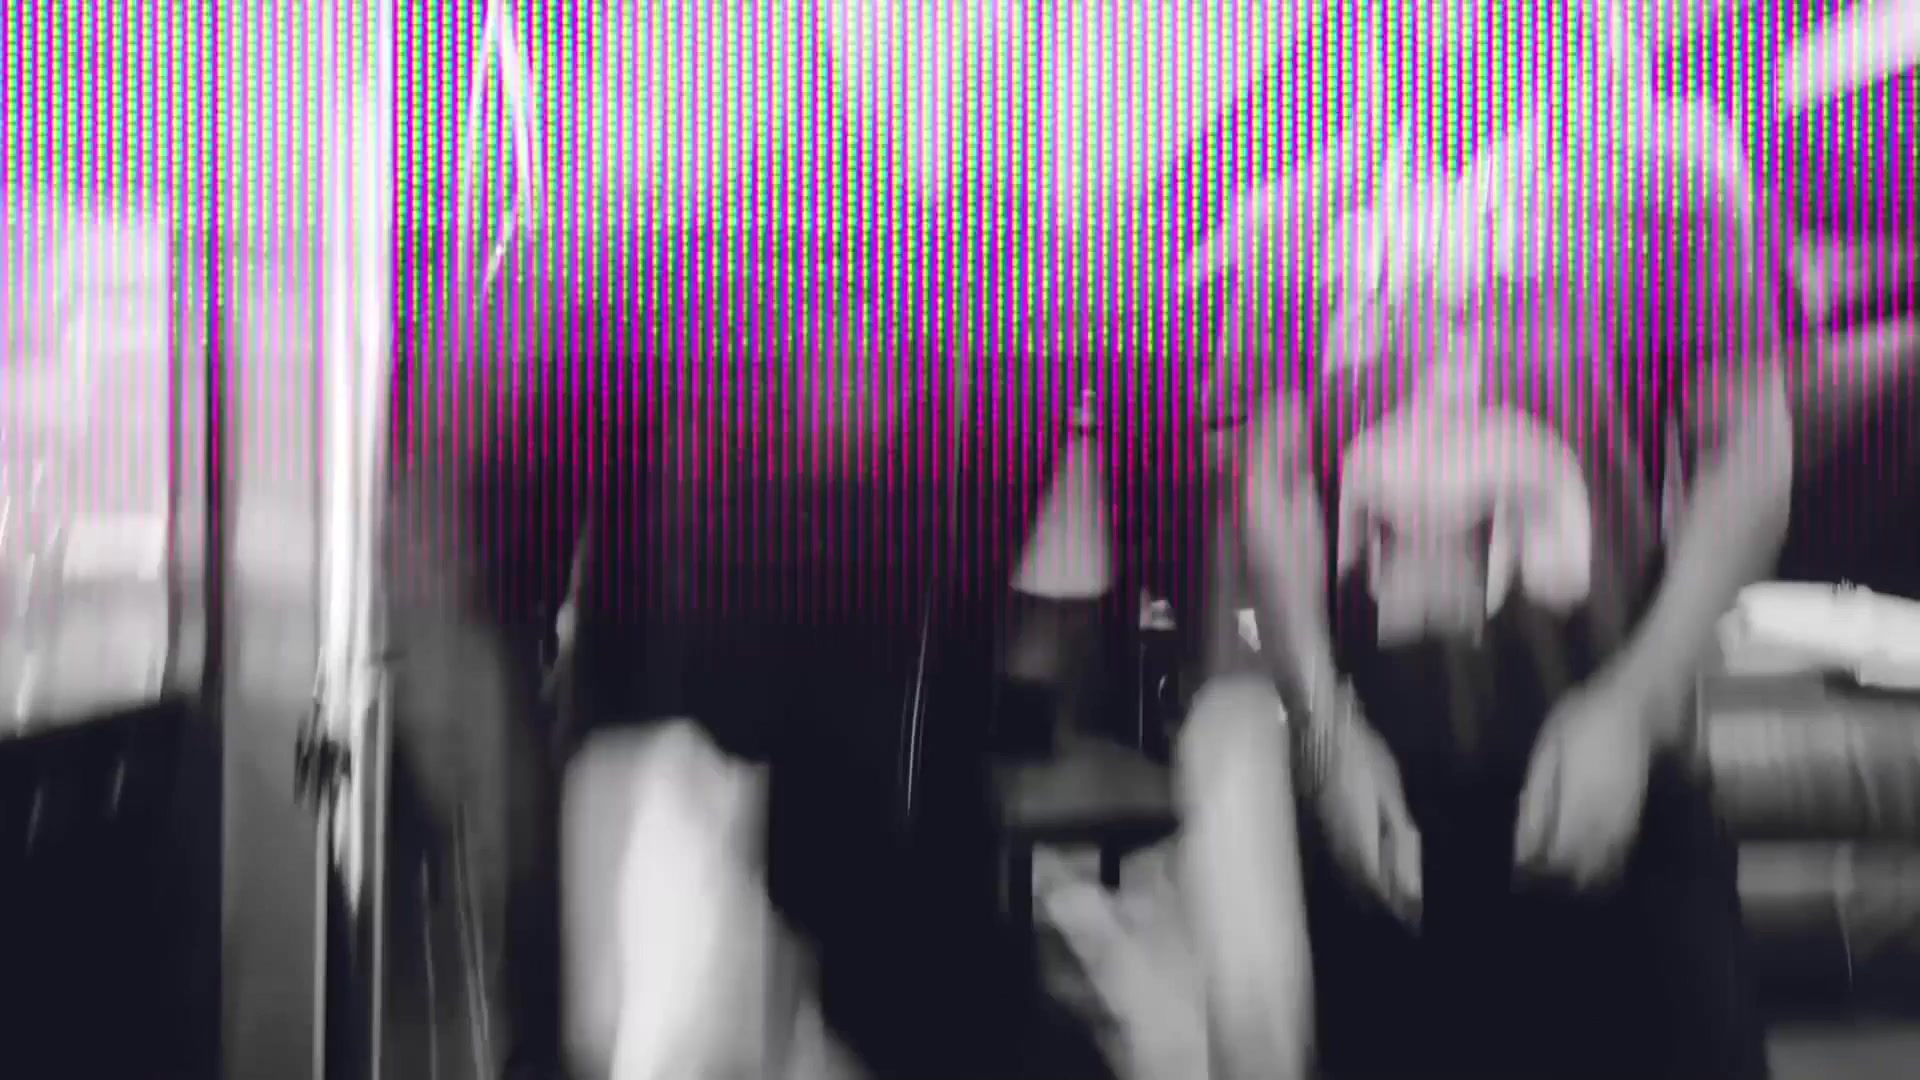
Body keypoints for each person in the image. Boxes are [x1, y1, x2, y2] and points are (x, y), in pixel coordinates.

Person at [1180, 1, 1790, 1076]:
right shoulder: (1285, 194)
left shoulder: (1664, 161)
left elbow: (1748, 449)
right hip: (1387, 805)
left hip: (1617, 779)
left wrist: (1632, 707)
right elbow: (1270, 484)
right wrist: (1326, 736)